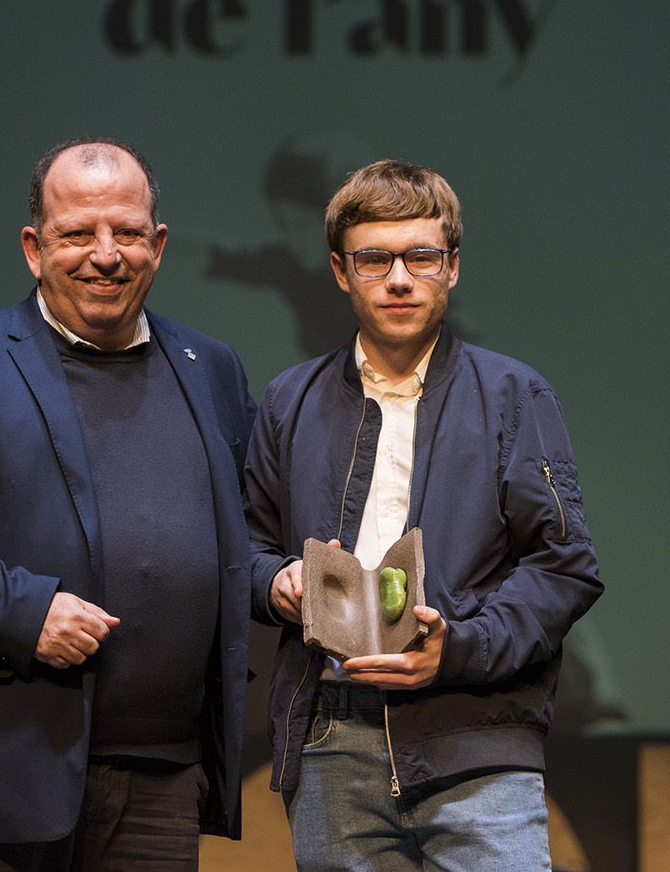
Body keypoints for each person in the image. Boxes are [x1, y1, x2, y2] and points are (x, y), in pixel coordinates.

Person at [0, 138, 255, 871]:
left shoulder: (210, 367)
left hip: (161, 780)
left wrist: (283, 579)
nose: (107, 255)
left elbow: (239, 538)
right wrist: (25, 612)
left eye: (128, 232)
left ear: (158, 246)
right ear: (35, 249)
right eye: (77, 234)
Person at [245, 159, 603, 871]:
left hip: (473, 732)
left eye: (421, 257)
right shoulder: (290, 400)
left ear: (453, 266)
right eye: (374, 259)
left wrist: (459, 649)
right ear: (341, 271)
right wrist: (275, 580)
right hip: (331, 739)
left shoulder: (513, 394)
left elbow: (564, 566)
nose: (400, 279)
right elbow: (246, 549)